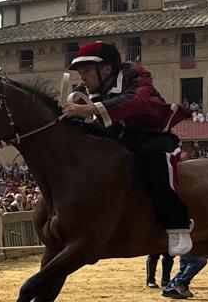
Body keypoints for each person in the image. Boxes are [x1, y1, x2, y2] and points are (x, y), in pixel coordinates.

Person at [61, 40, 193, 254]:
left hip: (155, 136)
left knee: (150, 157)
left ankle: (178, 225)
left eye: (85, 71)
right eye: (80, 73)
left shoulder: (138, 75)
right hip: (124, 136)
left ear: (105, 69)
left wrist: (89, 109)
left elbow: (136, 101)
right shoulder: (93, 88)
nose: (82, 78)